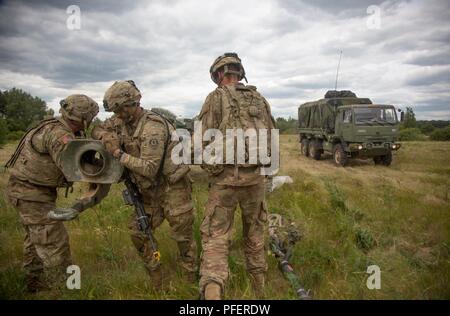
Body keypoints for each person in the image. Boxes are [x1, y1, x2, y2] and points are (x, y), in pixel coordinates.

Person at [92, 80, 197, 290]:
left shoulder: (153, 127)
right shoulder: (121, 121)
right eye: (114, 111)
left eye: (119, 110)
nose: (117, 115)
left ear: (132, 104)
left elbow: (149, 168)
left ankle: (190, 282)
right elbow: (97, 129)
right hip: (148, 192)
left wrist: (116, 152)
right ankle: (158, 280)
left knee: (183, 238)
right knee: (138, 233)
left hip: (172, 189)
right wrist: (106, 136)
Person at [198, 53, 277, 299]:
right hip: (256, 181)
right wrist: (267, 176)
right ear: (239, 73)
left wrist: (210, 172)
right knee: (254, 234)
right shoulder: (260, 99)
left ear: (219, 74)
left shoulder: (215, 98)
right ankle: (259, 292)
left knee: (216, 237)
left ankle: (212, 294)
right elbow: (272, 139)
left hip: (225, 181)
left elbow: (203, 141)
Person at [5, 94, 99, 292]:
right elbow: (73, 168)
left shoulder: (54, 126)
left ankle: (34, 286)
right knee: (55, 244)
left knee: (36, 241)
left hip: (28, 192)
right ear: (84, 118)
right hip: (31, 194)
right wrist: (103, 166)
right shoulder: (59, 134)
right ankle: (66, 291)